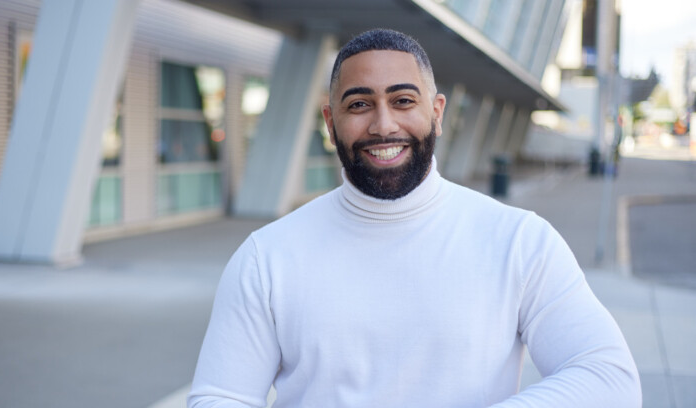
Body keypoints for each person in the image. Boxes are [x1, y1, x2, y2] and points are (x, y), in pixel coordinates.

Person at [188, 29, 641, 408]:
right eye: (359, 104)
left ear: (436, 112)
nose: (384, 125)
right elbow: (220, 396)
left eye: (403, 100)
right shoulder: (267, 257)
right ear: (330, 123)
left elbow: (609, 378)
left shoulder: (520, 241)